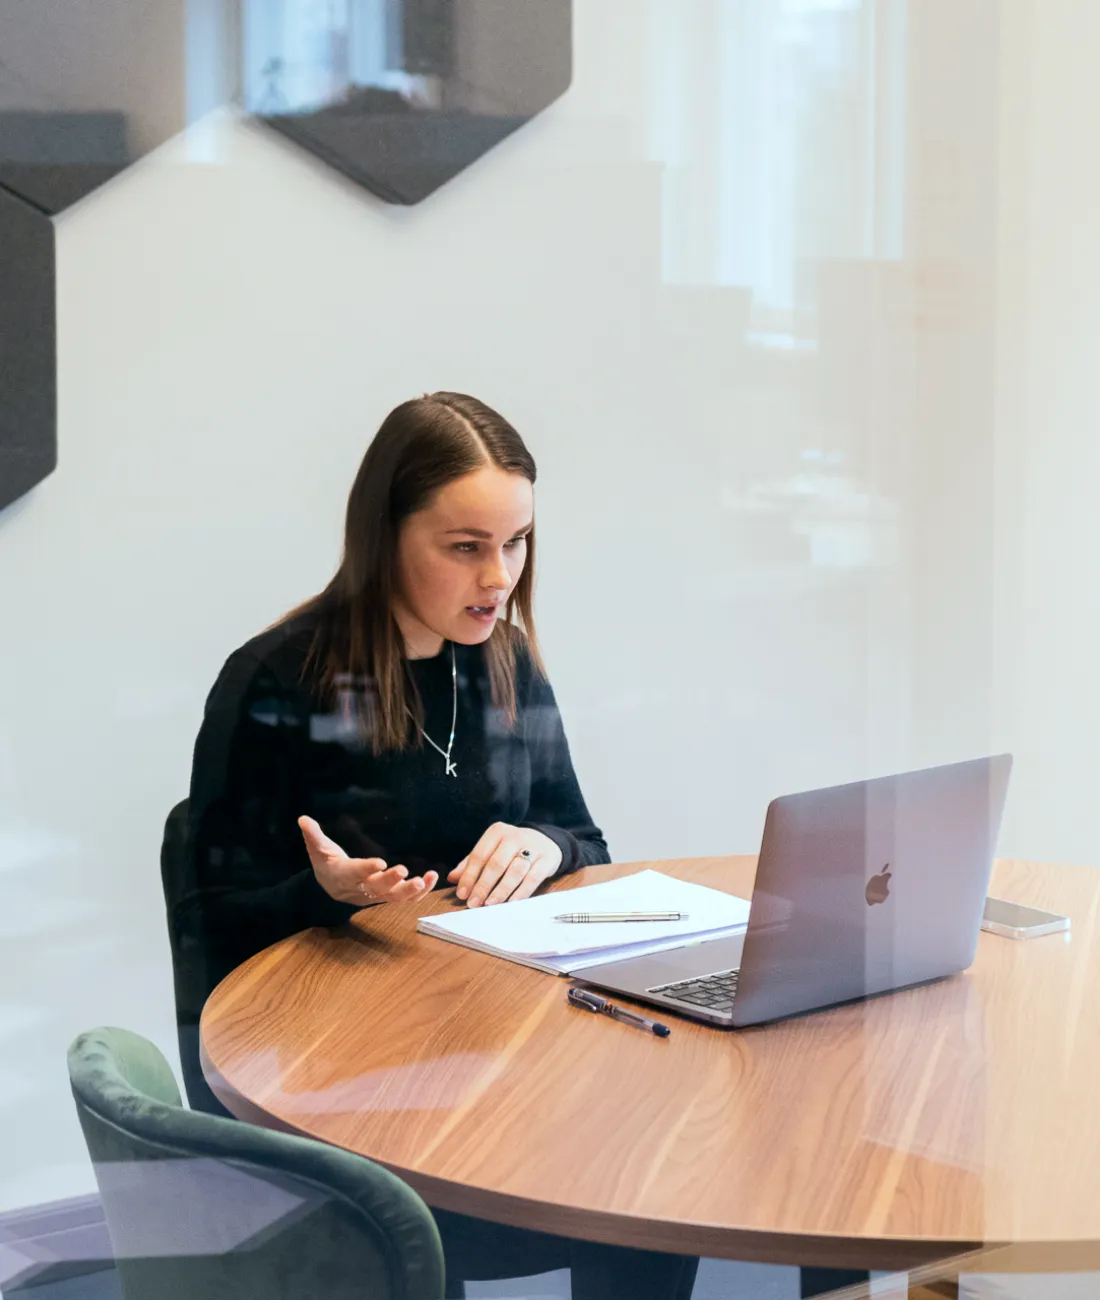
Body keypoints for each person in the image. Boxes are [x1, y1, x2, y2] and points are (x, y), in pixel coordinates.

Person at [168, 392, 698, 1300]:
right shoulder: (276, 680)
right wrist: (323, 894)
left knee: (656, 1179)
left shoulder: (506, 661)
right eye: (466, 547)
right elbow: (207, 923)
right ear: (385, 536)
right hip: (339, 1081)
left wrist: (544, 842)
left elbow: (585, 835)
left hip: (495, 1052)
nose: (499, 577)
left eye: (518, 541)